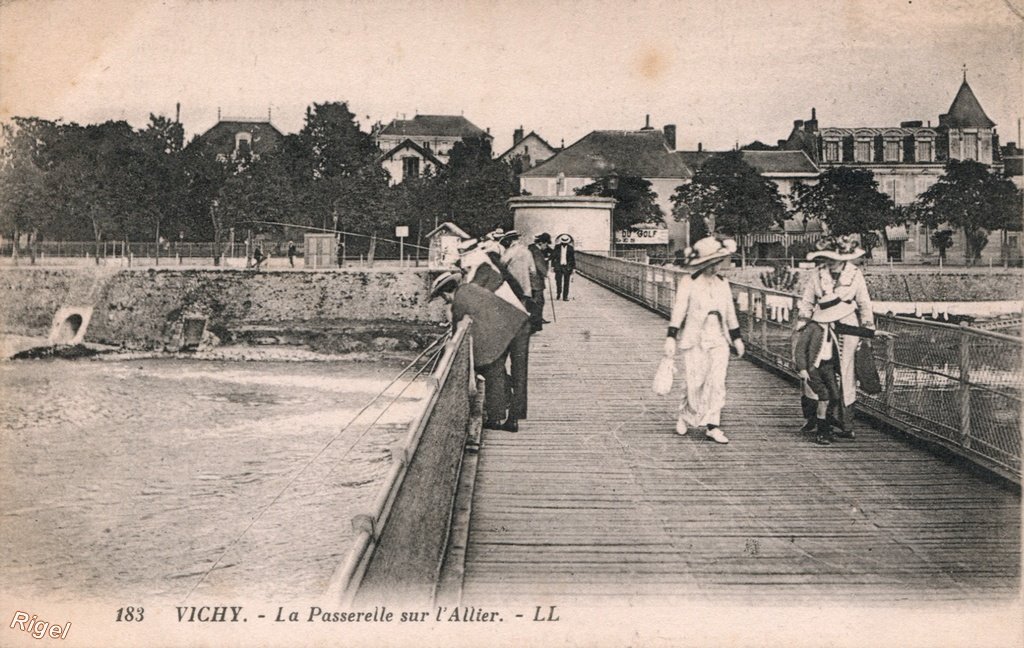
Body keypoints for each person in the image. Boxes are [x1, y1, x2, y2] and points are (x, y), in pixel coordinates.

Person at [662, 236, 745, 444]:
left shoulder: (723, 284)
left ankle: (713, 425)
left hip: (718, 337)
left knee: (717, 382)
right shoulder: (688, 282)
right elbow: (679, 311)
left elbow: (730, 313)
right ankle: (684, 415)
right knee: (695, 381)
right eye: (711, 263)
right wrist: (671, 337)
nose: (715, 268)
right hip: (695, 337)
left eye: (718, 263)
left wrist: (737, 338)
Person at [796, 235, 875, 437]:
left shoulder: (855, 274)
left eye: (834, 258)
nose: (830, 262)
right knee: (816, 367)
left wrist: (867, 328)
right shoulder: (818, 274)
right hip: (821, 324)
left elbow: (864, 302)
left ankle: (845, 423)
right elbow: (807, 300)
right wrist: (804, 321)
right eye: (827, 258)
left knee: (847, 373)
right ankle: (815, 419)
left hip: (847, 325)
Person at [429, 271, 528, 432]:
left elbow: (456, 334)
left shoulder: (458, 302)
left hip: (507, 329)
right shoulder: (469, 288)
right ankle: (513, 419)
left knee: (493, 370)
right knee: (518, 373)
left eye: (442, 297)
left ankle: (496, 418)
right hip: (518, 322)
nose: (444, 301)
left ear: (446, 294)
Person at [794, 299, 893, 445]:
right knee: (824, 396)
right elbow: (800, 350)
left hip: (827, 367)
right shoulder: (812, 328)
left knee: (834, 395)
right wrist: (802, 369)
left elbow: (852, 330)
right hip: (813, 369)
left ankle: (826, 423)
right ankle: (822, 433)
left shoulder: (834, 326)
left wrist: (875, 333)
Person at [527, 233, 552, 332]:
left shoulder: (531, 249)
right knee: (538, 302)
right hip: (536, 281)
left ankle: (536, 321)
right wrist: (546, 273)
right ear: (541, 243)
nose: (546, 246)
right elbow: (539, 264)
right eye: (546, 244)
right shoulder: (536, 251)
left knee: (536, 302)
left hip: (533, 280)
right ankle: (535, 324)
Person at [551, 233, 576, 301]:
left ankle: (565, 296)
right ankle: (559, 293)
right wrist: (552, 266)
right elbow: (553, 257)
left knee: (566, 282)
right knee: (558, 281)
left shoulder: (570, 248)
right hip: (559, 267)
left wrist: (573, 268)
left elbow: (572, 258)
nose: (564, 243)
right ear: (561, 241)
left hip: (567, 267)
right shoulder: (557, 247)